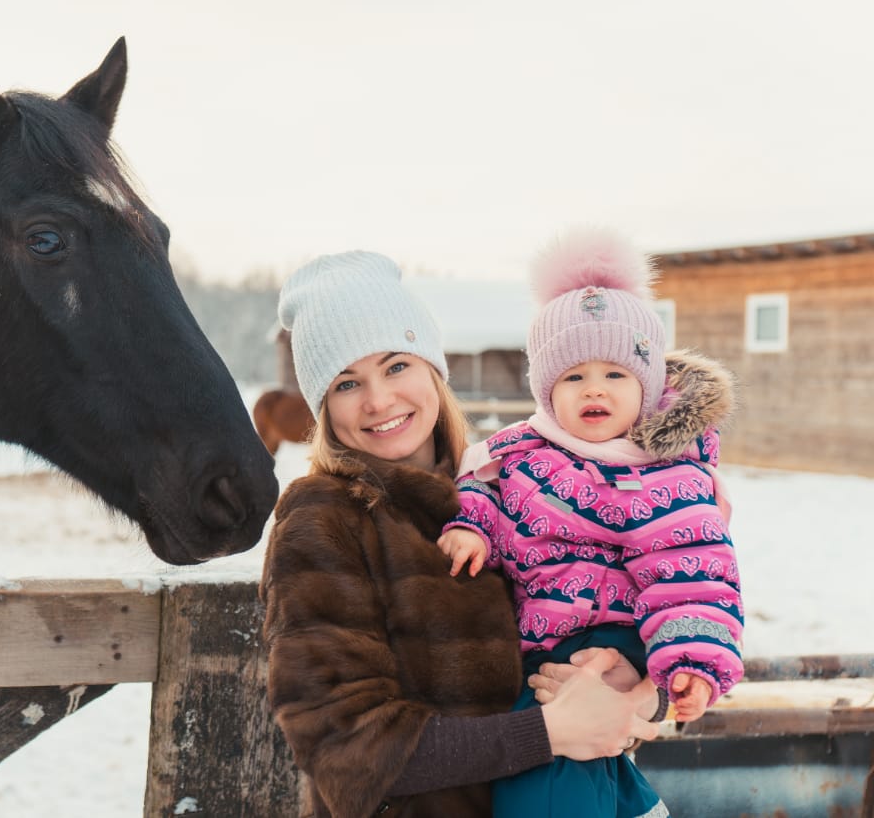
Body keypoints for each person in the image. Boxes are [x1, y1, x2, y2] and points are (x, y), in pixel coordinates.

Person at [260, 250, 665, 818]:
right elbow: (343, 745)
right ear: (324, 407)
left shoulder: (516, 484)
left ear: (433, 368)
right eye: (347, 383)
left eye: (397, 365)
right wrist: (546, 733)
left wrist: (638, 688)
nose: (379, 401)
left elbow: (621, 605)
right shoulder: (324, 518)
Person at [438, 229, 743, 816]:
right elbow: (482, 492)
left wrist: (693, 662)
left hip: (614, 633)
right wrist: (469, 527)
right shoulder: (519, 454)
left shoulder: (665, 476)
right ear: (547, 390)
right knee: (574, 752)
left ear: (648, 386)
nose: (594, 388)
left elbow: (693, 573)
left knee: (546, 769)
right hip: (539, 638)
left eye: (615, 375)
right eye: (573, 376)